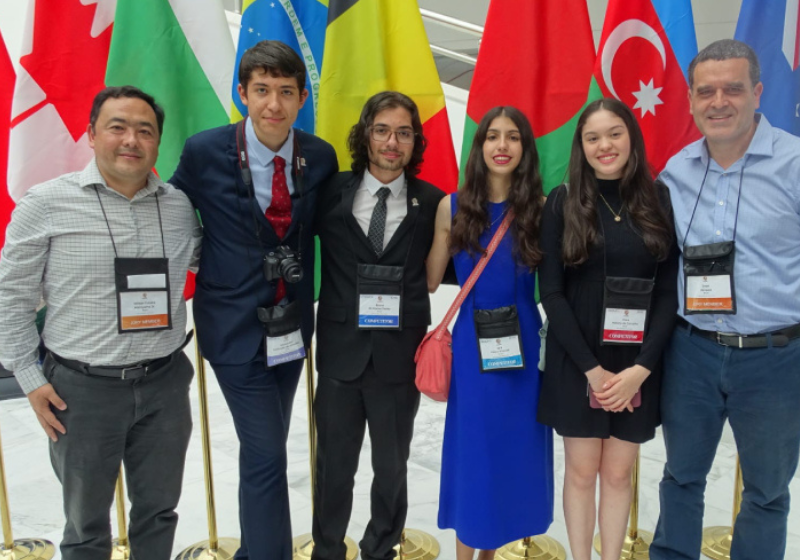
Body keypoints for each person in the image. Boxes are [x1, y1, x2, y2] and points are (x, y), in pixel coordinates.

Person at [0, 86, 202, 560]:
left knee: (159, 512)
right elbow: (11, 298)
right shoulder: (45, 204)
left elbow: (209, 259)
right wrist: (29, 379)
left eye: (144, 130)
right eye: (118, 127)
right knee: (86, 524)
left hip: (165, 386)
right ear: (91, 135)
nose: (131, 139)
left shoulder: (177, 207)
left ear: (157, 143)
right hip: (82, 392)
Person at [169, 40, 338, 560]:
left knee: (262, 449)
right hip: (232, 329)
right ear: (242, 93)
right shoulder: (203, 152)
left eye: (286, 92)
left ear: (302, 97)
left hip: (291, 330)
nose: (273, 105)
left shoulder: (321, 156)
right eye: (261, 90)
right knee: (267, 453)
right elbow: (166, 214)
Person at [650, 39, 800, 560]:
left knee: (767, 492)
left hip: (775, 359)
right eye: (706, 91)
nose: (719, 101)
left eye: (733, 89)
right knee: (681, 477)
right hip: (692, 351)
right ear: (690, 100)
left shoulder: (795, 165)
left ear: (757, 92)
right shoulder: (675, 171)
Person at [536, 98, 678, 560]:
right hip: (578, 360)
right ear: (581, 145)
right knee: (581, 471)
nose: (605, 145)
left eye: (614, 133)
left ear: (631, 136)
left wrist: (642, 369)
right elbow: (551, 294)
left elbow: (667, 292)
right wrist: (592, 371)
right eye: (592, 137)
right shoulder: (561, 202)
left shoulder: (659, 199)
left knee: (618, 474)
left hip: (636, 361)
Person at [311, 91, 444, 560]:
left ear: (415, 142)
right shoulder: (330, 191)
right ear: (365, 134)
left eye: (404, 133)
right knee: (333, 468)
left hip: (397, 358)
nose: (392, 141)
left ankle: (380, 548)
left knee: (391, 468)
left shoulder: (432, 202)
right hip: (340, 354)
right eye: (382, 130)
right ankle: (327, 549)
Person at [426, 106, 553, 560]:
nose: (502, 146)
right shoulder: (452, 205)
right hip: (471, 346)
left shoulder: (541, 209)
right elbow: (428, 278)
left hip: (523, 343)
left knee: (516, 449)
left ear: (525, 149)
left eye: (513, 137)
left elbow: (558, 281)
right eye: (492, 137)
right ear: (479, 147)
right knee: (475, 451)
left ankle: (492, 551)